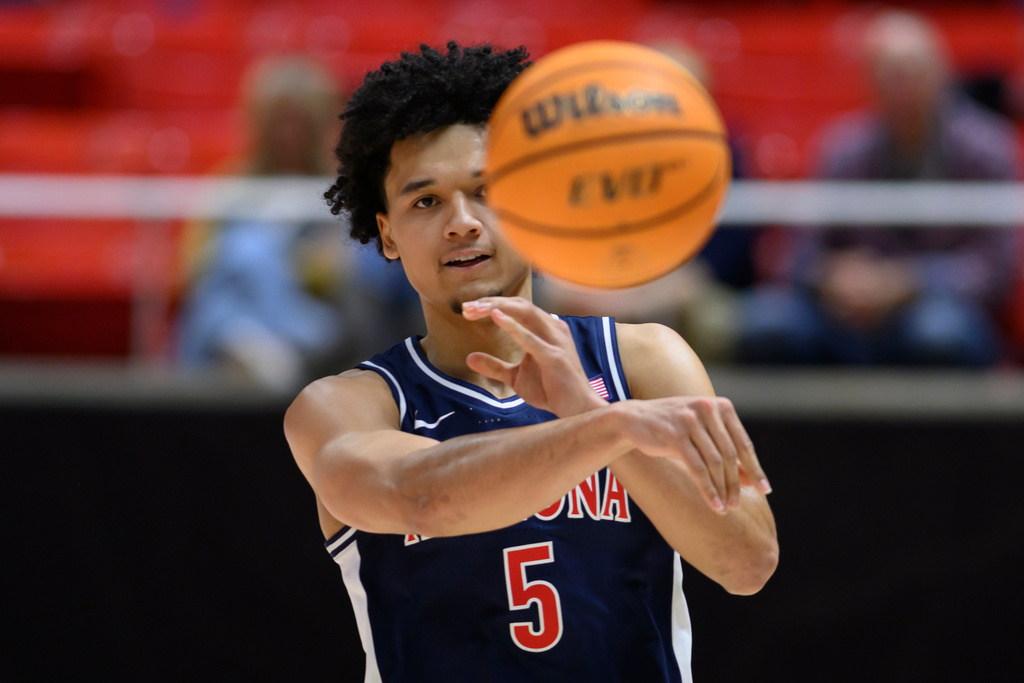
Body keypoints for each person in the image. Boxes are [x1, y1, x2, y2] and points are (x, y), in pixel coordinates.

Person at [284, 43, 777, 682]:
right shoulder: (348, 405)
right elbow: (420, 498)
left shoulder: (645, 361)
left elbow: (748, 562)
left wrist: (589, 408)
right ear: (386, 234)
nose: (461, 223)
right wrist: (605, 428)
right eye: (425, 202)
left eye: (486, 190)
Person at [737, 10, 1021, 366]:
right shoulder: (843, 149)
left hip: (936, 308)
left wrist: (908, 282)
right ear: (869, 81)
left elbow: (996, 268)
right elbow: (797, 254)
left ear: (941, 74)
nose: (902, 87)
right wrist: (833, 278)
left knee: (939, 333)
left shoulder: (988, 149)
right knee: (767, 323)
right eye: (890, 75)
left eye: (912, 72)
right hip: (842, 312)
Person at [175, 55, 354, 390]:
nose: (287, 133)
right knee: (229, 280)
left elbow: (342, 267)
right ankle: (253, 347)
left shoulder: (341, 190)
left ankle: (255, 347)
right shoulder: (231, 186)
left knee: (246, 254)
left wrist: (295, 261)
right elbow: (195, 263)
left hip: (312, 312)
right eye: (279, 121)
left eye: (297, 122)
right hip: (240, 304)